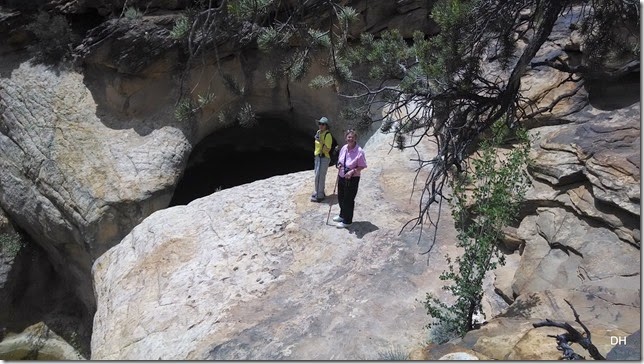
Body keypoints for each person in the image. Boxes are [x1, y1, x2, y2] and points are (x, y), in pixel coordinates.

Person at [333, 129, 367, 228]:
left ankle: (347, 221)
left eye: (352, 137)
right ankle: (342, 215)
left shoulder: (359, 151)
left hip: (352, 178)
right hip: (342, 176)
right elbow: (340, 161)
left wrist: (352, 171)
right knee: (341, 197)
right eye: (348, 137)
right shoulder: (344, 148)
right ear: (346, 138)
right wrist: (338, 165)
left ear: (355, 138)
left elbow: (362, 166)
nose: (350, 139)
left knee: (348, 199)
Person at [311, 116, 333, 202]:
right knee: (317, 175)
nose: (321, 126)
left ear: (326, 126)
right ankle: (318, 191)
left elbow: (327, 148)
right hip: (318, 156)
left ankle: (320, 195)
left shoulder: (328, 135)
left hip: (324, 157)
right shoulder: (318, 132)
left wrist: (320, 142)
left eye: (323, 124)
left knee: (320, 176)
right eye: (320, 124)